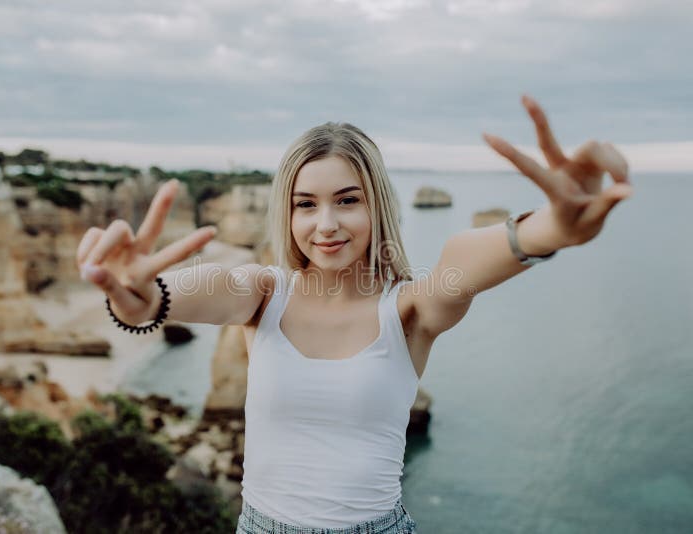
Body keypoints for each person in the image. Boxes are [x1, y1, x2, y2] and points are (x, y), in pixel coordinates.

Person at [76, 95, 633, 533]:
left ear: (377, 205)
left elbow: (461, 264)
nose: (326, 225)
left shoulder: (410, 309)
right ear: (287, 213)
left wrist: (553, 228)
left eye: (348, 199)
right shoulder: (262, 293)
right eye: (305, 204)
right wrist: (136, 293)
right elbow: (180, 294)